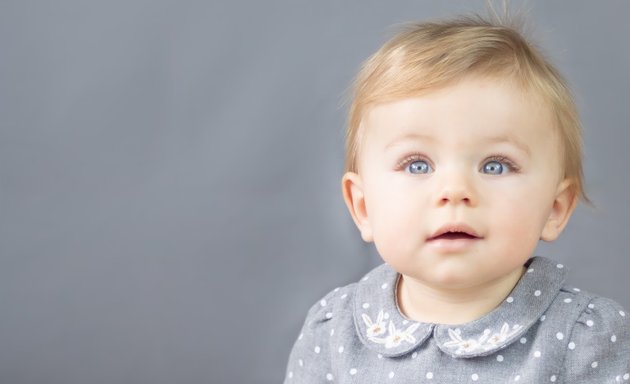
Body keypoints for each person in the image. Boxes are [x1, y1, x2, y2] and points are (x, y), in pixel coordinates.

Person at [283, 12, 629, 383]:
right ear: (363, 207)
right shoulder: (333, 331)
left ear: (555, 209)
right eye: (417, 165)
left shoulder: (585, 338)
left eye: (495, 166)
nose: (455, 191)